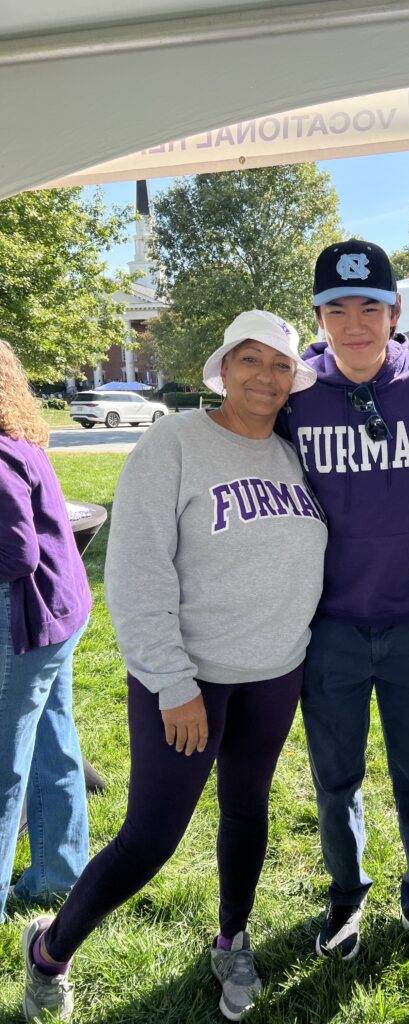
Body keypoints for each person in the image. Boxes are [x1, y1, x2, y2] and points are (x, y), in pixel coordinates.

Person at [21, 310, 328, 1023]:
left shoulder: (291, 452)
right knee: (152, 837)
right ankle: (51, 950)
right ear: (223, 368)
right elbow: (135, 573)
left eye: (281, 364)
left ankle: (232, 938)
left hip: (276, 672)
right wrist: (172, 682)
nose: (266, 376)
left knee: (249, 808)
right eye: (250, 360)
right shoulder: (175, 443)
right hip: (190, 682)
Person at [279, 239, 409, 974]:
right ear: (319, 318)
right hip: (329, 628)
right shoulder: (297, 396)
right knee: (336, 780)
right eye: (336, 309)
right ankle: (347, 895)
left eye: (370, 307)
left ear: (396, 312)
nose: (354, 323)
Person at [0, 339, 92, 925]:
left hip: (28, 623)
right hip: (61, 616)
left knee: (4, 768)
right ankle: (59, 873)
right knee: (53, 742)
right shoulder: (19, 440)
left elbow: (15, 552)